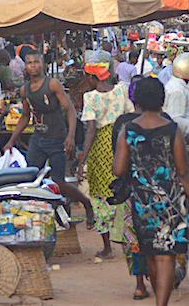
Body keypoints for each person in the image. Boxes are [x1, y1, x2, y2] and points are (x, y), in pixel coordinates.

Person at [114, 77, 189, 306]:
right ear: (161, 99)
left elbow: (118, 169)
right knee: (166, 256)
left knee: (151, 255)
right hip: (172, 201)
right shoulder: (171, 130)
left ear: (137, 100)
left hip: (141, 202)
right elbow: (184, 172)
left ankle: (160, 301)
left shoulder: (128, 130)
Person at [4, 51, 95, 227]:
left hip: (57, 137)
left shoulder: (52, 84)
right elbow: (25, 116)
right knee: (30, 178)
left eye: (36, 62)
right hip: (38, 138)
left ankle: (85, 203)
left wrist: (70, 136)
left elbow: (69, 109)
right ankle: (47, 217)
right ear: (25, 66)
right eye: (29, 62)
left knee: (58, 182)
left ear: (43, 64)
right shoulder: (25, 90)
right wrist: (11, 140)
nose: (33, 65)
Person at [78, 62, 134, 259]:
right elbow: (130, 114)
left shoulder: (90, 97)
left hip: (101, 146)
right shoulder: (121, 90)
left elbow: (91, 130)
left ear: (92, 78)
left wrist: (81, 160)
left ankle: (107, 246)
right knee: (121, 189)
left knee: (100, 196)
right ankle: (127, 238)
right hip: (121, 141)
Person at [110, 76, 150, 300]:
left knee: (133, 238)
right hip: (159, 191)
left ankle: (139, 284)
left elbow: (118, 166)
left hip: (131, 190)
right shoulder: (165, 122)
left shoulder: (123, 124)